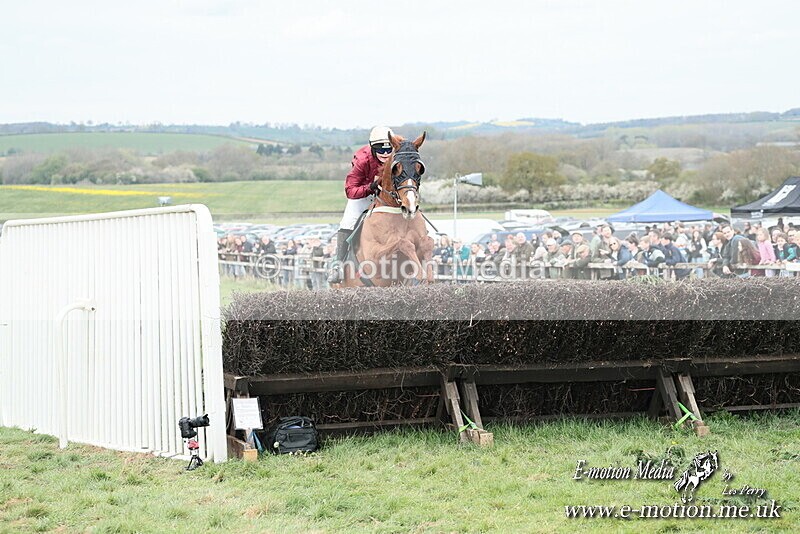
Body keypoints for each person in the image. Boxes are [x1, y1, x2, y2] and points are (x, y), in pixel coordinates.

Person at [327, 126, 394, 283]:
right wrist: (370, 187)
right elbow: (350, 191)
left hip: (388, 197)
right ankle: (338, 265)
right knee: (347, 223)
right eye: (380, 149)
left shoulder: (396, 155)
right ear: (372, 147)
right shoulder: (362, 160)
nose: (385, 154)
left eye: (388, 149)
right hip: (364, 195)